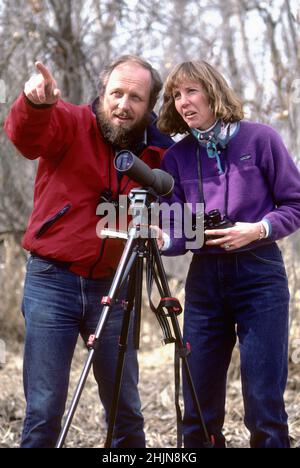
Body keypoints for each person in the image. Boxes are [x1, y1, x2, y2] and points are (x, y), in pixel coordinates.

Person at [4, 55, 173, 448]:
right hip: (53, 281)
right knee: (44, 410)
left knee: (125, 409)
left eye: (135, 97)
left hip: (116, 284)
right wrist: (34, 104)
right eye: (116, 93)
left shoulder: (157, 150)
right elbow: (26, 138)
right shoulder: (69, 121)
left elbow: (178, 199)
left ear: (149, 107)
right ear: (101, 93)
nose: (123, 104)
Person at [156, 60, 300, 448]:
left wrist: (257, 229)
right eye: (175, 95)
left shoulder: (261, 139)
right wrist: (160, 239)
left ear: (213, 92)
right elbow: (179, 231)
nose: (182, 102)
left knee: (264, 404)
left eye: (191, 91)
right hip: (205, 281)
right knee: (197, 405)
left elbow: (295, 204)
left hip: (260, 274)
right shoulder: (176, 158)